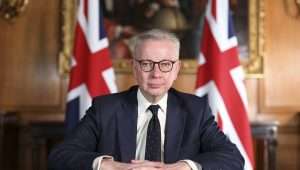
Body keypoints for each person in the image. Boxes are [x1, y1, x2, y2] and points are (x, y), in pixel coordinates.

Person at [48, 29, 244, 170]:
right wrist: (111, 166)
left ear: (176, 69)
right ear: (134, 67)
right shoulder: (105, 109)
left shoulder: (195, 110)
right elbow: (60, 156)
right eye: (147, 64)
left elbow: (233, 158)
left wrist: (185, 167)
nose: (156, 73)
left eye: (165, 64)